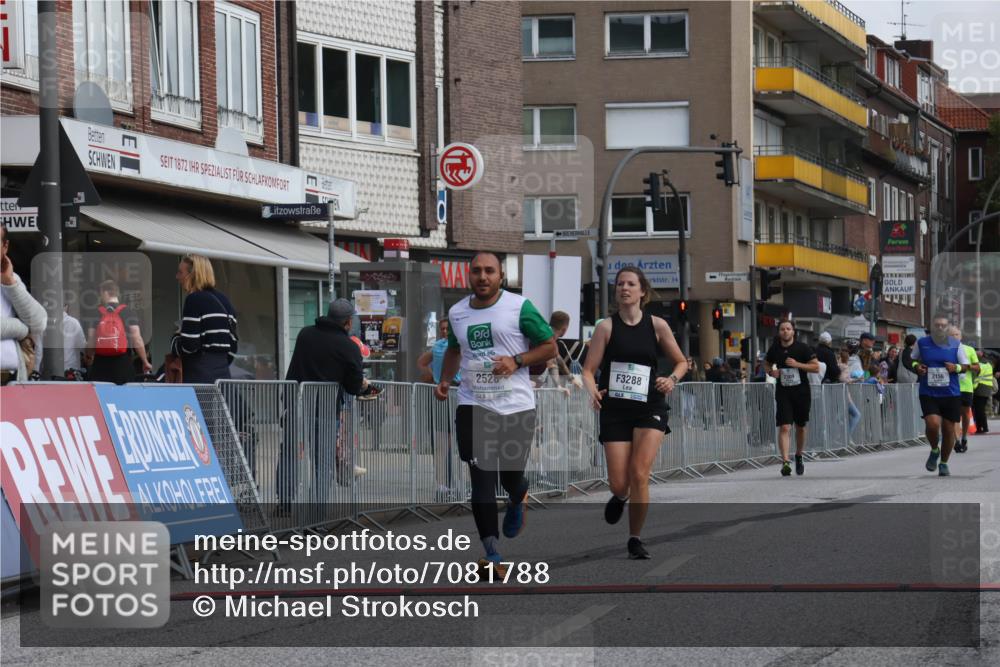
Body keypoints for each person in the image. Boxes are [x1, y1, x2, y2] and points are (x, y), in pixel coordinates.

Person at [433, 251, 556, 578]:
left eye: (490, 271)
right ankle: (492, 553)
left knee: (509, 476)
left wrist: (516, 361)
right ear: (468, 276)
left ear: (501, 276)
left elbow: (550, 346)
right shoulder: (458, 312)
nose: (483, 277)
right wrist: (445, 380)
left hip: (516, 406)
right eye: (477, 271)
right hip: (474, 403)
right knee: (481, 479)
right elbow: (456, 351)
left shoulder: (519, 307)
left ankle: (518, 496)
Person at [581, 266, 688, 560]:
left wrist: (672, 379)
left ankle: (635, 539)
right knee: (619, 482)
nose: (623, 288)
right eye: (619, 285)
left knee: (640, 473)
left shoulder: (657, 326)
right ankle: (621, 495)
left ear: (642, 291)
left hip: (649, 407)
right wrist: (591, 390)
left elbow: (681, 362)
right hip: (615, 409)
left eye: (630, 284)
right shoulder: (606, 327)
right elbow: (589, 370)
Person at [284, 298, 379, 510]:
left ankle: (283, 503)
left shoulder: (305, 334)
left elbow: (297, 367)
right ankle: (315, 515)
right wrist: (363, 385)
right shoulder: (348, 346)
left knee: (290, 454)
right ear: (347, 322)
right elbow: (353, 385)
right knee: (322, 465)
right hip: (325, 411)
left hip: (297, 404)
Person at [901, 314, 971, 477]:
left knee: (948, 430)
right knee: (932, 424)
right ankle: (934, 449)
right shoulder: (922, 343)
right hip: (929, 392)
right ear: (932, 327)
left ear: (947, 328)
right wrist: (917, 366)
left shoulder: (956, 345)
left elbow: (967, 366)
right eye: (937, 325)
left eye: (943, 325)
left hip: (951, 393)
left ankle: (944, 463)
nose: (940, 328)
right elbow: (911, 360)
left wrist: (957, 368)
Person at [765, 319, 820, 476]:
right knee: (784, 426)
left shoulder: (803, 348)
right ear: (779, 332)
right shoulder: (775, 349)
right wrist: (771, 372)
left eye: (788, 328)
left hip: (801, 392)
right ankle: (785, 462)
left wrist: (798, 364)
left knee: (800, 426)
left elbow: (816, 367)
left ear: (793, 332)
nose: (785, 331)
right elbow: (766, 363)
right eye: (782, 329)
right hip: (783, 392)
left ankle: (799, 455)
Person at [171, 254, 238, 383]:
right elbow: (233, 344)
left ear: (193, 274)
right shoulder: (225, 301)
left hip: (199, 375)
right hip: (222, 375)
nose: (177, 277)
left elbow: (189, 345)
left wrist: (175, 339)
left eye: (180, 272)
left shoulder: (194, 299)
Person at [417, 316, 461, 501]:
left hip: (458, 393)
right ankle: (442, 485)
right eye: (442, 329)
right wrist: (429, 376)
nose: (444, 331)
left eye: (447, 329)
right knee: (442, 444)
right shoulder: (437, 347)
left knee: (458, 445)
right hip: (440, 394)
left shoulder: (459, 346)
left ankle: (456, 483)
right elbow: (421, 362)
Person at [1, 224, 46, 384]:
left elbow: (39, 323)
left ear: (5, 246)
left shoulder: (11, 280)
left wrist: (11, 284)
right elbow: (29, 327)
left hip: (12, 379)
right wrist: (22, 329)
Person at [87, 280, 151, 384]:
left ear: (105, 292)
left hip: (100, 367)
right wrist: (145, 361)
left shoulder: (96, 312)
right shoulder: (129, 311)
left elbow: (91, 340)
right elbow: (137, 339)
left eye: (101, 294)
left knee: (102, 398)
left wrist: (89, 356)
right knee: (124, 398)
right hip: (123, 366)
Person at [948, 326, 980, 453]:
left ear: (960, 337)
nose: (954, 337)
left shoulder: (969, 350)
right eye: (951, 335)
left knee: (965, 413)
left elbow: (977, 368)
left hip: (966, 386)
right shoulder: (945, 350)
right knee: (954, 414)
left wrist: (964, 367)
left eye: (956, 334)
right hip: (951, 387)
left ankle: (965, 437)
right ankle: (957, 440)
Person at [972, 351, 994, 435]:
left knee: (979, 410)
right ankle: (983, 427)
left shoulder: (980, 365)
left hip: (980, 389)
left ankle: (981, 428)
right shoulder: (989, 365)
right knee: (981, 410)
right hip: (987, 389)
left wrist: (972, 388)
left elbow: (977, 378)